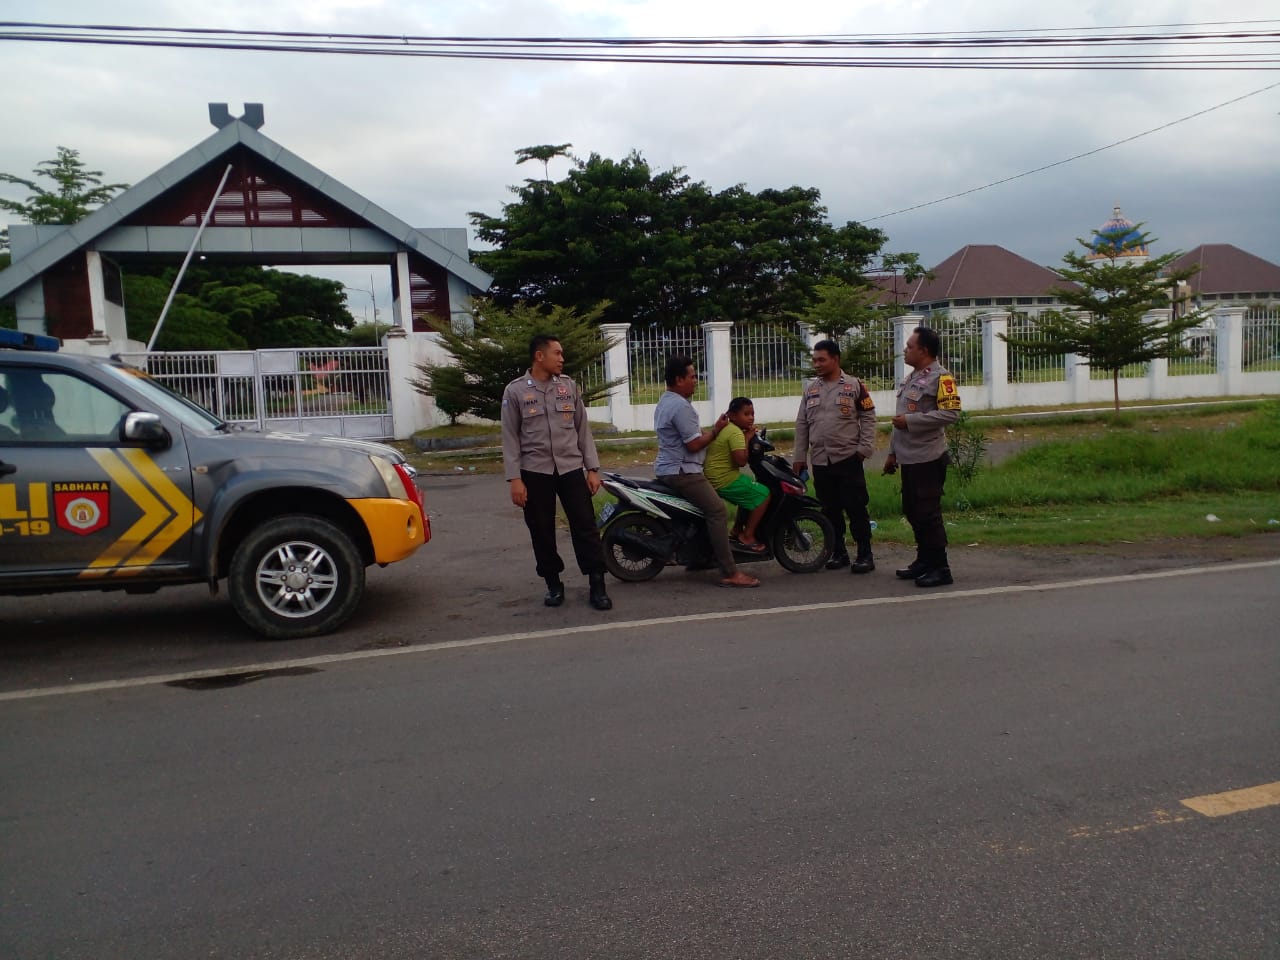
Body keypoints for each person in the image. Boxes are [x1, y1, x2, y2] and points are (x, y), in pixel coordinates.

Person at [501, 333, 612, 610]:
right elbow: (510, 437)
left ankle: (597, 585)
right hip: (534, 472)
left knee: (586, 526)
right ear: (540, 356)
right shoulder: (515, 391)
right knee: (541, 530)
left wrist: (593, 468)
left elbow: (582, 430)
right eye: (557, 353)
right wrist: (515, 478)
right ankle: (553, 583)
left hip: (571, 467)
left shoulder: (569, 387)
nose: (562, 358)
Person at [654, 356, 760, 588]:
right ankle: (730, 572)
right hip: (683, 471)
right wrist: (716, 431)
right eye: (692, 377)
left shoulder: (666, 401)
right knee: (717, 511)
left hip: (669, 467)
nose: (696, 381)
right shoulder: (681, 407)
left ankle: (700, 558)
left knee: (702, 512)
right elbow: (693, 445)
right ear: (679, 379)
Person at [883, 325, 961, 587]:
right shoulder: (912, 377)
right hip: (908, 457)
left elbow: (951, 414)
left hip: (928, 457)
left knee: (928, 513)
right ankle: (924, 560)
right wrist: (892, 453)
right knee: (912, 509)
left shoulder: (942, 378)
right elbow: (900, 419)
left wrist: (911, 421)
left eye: (909, 346)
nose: (905, 350)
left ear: (924, 350)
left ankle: (941, 567)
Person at [792, 339, 878, 574]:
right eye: (815, 360)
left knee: (856, 508)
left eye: (822, 359)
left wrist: (864, 450)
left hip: (848, 459)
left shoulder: (854, 385)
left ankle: (865, 554)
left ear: (835, 359)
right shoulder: (810, 389)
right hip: (821, 460)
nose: (817, 364)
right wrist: (799, 457)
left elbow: (869, 417)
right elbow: (802, 425)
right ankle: (838, 552)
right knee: (830, 510)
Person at [704, 397, 771, 552]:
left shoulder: (726, 428)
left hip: (714, 475)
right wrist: (747, 438)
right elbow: (741, 461)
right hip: (723, 479)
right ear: (733, 416)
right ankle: (747, 536)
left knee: (749, 489)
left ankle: (736, 529)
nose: (751, 418)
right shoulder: (735, 433)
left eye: (752, 414)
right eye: (746, 414)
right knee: (764, 494)